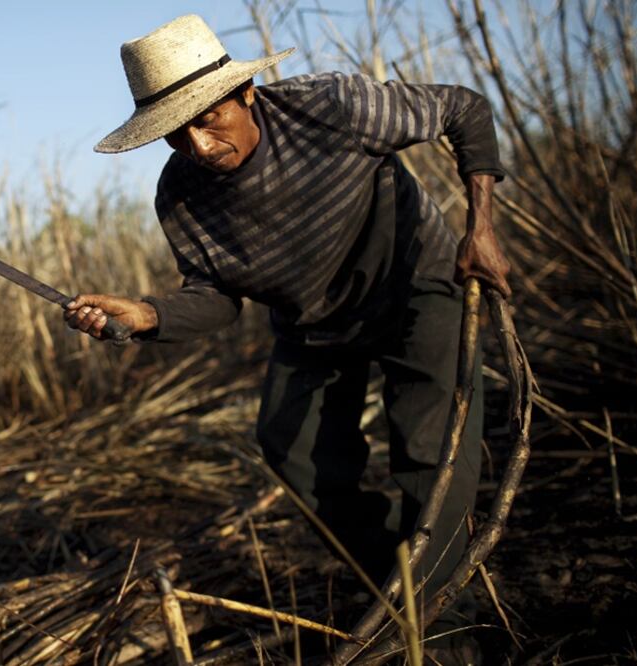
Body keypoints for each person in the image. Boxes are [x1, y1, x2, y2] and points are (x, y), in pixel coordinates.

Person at [65, 14, 511, 659]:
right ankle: (406, 580)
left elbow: (462, 111)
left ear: (246, 93)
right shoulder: (182, 199)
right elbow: (218, 302)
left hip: (415, 282)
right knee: (290, 443)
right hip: (315, 321)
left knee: (427, 444)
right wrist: (143, 315)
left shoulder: (330, 107)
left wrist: (483, 227)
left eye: (208, 118)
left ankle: (450, 620)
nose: (197, 144)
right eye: (174, 134)